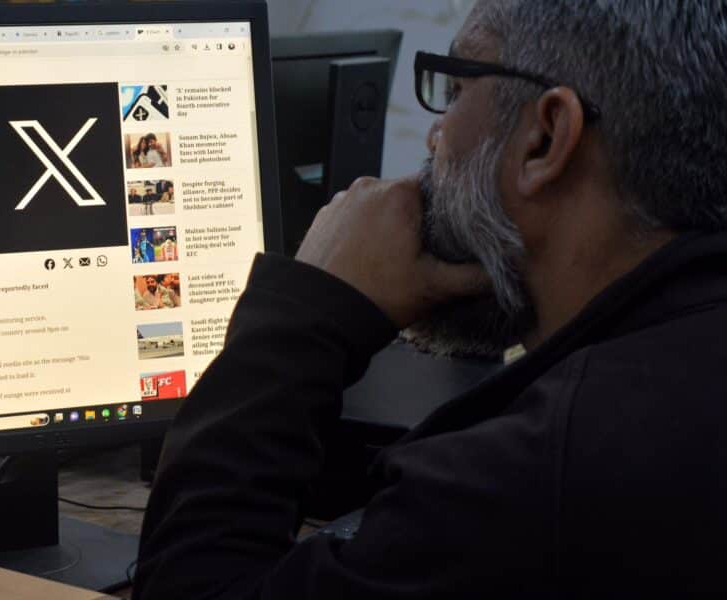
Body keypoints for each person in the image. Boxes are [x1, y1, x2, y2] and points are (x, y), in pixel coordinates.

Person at [134, 1, 727, 597]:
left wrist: (309, 312)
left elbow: (192, 586)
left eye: (458, 88)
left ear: (545, 138)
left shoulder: (538, 479)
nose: (435, 134)